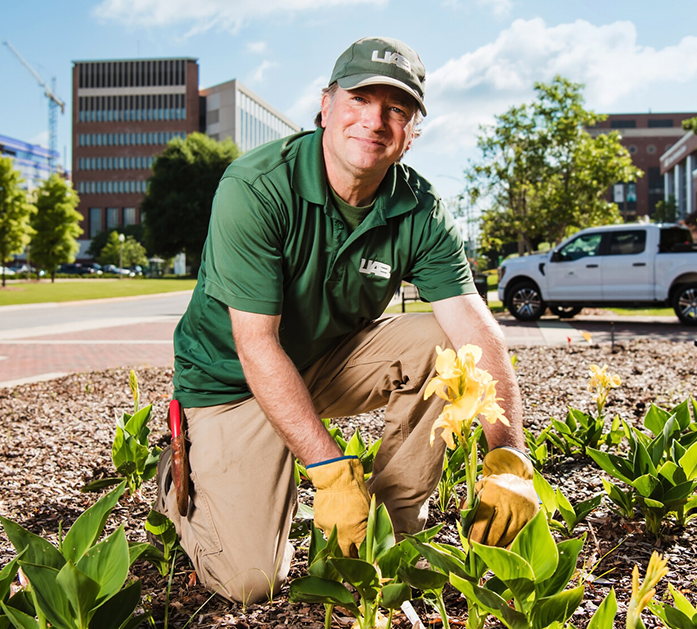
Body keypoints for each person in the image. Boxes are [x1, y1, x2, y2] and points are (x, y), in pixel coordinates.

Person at [155, 36, 538, 604]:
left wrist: (508, 453)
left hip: (320, 364)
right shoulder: (256, 189)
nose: (375, 121)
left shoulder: (422, 210)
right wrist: (329, 469)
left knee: (449, 348)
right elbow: (256, 346)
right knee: (251, 581)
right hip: (231, 383)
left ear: (412, 132)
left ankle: (392, 525)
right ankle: (182, 473)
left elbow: (476, 331)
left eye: (397, 109)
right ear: (327, 105)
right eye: (360, 99)